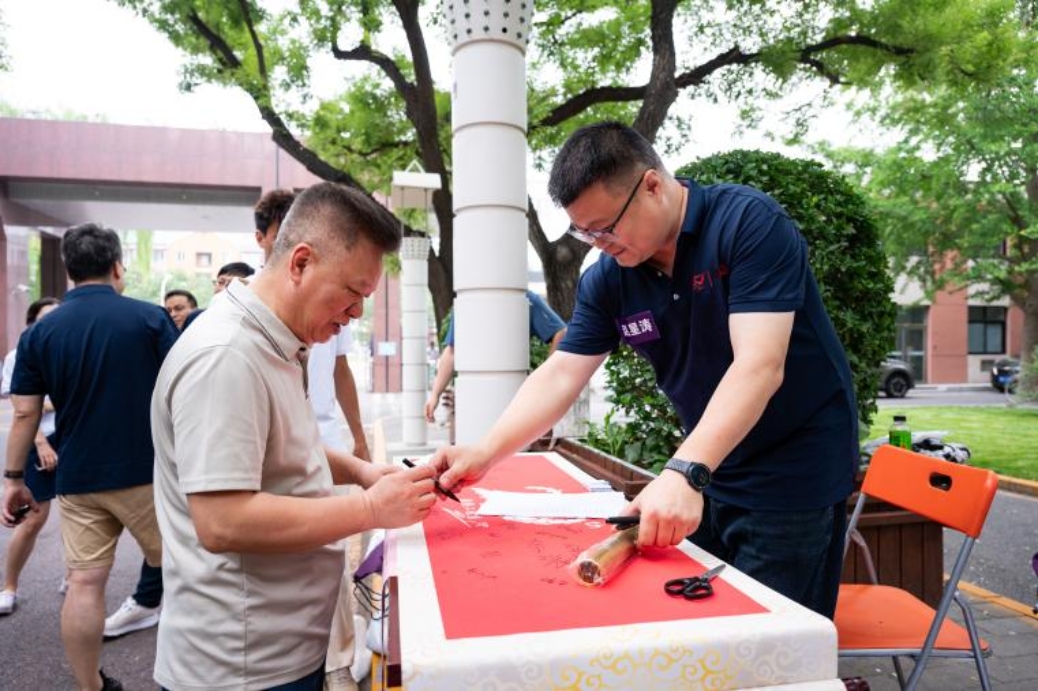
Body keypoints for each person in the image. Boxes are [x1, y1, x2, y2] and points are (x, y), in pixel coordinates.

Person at [431, 122, 858, 619]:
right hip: (710, 465)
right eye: (585, 232)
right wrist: (485, 452)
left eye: (605, 227)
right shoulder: (609, 279)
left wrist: (684, 472)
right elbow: (562, 373)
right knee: (708, 624)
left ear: (652, 185)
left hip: (793, 468)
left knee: (776, 635)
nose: (598, 243)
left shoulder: (747, 223)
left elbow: (758, 365)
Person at [150, 181, 437, 690]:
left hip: (282, 644)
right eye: (353, 292)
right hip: (242, 663)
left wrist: (363, 472)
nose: (357, 314)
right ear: (300, 262)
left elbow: (285, 446)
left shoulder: (278, 341)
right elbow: (222, 520)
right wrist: (371, 508)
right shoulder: (227, 356)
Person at [3, 223, 180, 691]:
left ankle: (90, 686)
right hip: (147, 473)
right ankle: (188, 678)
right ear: (118, 266)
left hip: (78, 477)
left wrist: (13, 479)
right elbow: (184, 389)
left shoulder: (40, 333)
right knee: (185, 575)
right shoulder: (149, 318)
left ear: (68, 269)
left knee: (84, 583)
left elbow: (24, 413)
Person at [255, 188, 370, 459]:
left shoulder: (335, 304)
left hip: (324, 440)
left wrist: (359, 440)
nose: (356, 312)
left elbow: (340, 368)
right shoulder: (235, 338)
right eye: (281, 236)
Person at [0, 297, 61, 615]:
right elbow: (23, 409)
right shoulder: (18, 355)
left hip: (71, 437)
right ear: (32, 323)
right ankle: (9, 587)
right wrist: (40, 443)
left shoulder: (69, 348)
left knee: (81, 512)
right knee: (32, 517)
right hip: (39, 439)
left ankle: (74, 576)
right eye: (45, 318)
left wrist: (47, 404)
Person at [424, 291, 568, 424]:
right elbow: (451, 351)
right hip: (476, 395)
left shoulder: (525, 298)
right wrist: (435, 394)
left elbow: (561, 332)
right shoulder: (467, 301)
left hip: (511, 393)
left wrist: (545, 377)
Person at [181, 261, 256, 331]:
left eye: (232, 284)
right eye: (220, 282)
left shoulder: (250, 323)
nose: (223, 289)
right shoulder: (195, 317)